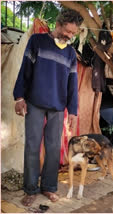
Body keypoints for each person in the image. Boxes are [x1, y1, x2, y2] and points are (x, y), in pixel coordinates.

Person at [13, 9, 83, 206]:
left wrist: (73, 111)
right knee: (32, 147)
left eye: (73, 34)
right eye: (67, 31)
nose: (69, 36)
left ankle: (49, 187)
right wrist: (19, 97)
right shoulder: (37, 41)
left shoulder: (70, 53)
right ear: (58, 24)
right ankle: (30, 189)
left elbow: (72, 84)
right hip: (34, 103)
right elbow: (24, 70)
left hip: (58, 107)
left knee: (53, 149)